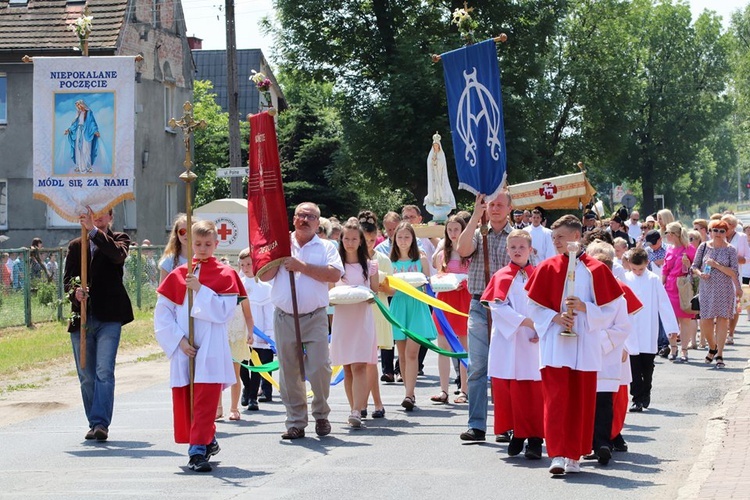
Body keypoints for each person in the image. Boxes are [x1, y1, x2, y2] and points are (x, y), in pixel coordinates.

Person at [524, 215, 623, 475]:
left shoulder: (596, 269)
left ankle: (575, 456)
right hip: (555, 344)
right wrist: (554, 317)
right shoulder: (547, 267)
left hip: (585, 344)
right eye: (553, 238)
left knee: (581, 400)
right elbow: (532, 305)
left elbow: (611, 309)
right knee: (556, 399)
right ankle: (557, 453)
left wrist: (585, 308)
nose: (555, 242)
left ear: (576, 237)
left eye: (560, 237)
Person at [155, 220, 246, 472]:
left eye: (208, 244)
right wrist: (178, 341)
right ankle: (207, 439)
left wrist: (200, 289)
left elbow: (224, 312)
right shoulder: (178, 274)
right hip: (185, 345)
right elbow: (162, 313)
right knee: (188, 397)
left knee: (206, 397)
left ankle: (197, 451)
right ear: (189, 244)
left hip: (211, 346)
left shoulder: (226, 274)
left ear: (217, 244)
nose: (203, 248)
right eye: (198, 244)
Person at [259, 202, 344, 440]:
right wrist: (272, 255)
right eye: (301, 216)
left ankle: (321, 413)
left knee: (319, 367)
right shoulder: (281, 244)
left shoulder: (326, 246)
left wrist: (301, 267)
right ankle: (295, 422)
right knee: (289, 371)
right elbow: (264, 275)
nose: (305, 220)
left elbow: (334, 274)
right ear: (293, 219)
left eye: (311, 216)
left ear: (318, 223)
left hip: (314, 315)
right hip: (285, 316)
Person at [63, 205, 134, 442]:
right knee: (86, 373)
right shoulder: (75, 245)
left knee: (104, 370)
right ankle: (93, 421)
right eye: (95, 212)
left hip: (110, 315)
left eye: (104, 212)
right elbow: (68, 281)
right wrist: (76, 293)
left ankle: (100, 423)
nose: (100, 216)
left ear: (111, 217)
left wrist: (93, 231)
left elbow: (116, 256)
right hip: (82, 316)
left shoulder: (120, 239)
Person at [482, 229, 544, 460]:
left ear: (530, 250)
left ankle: (535, 439)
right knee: (510, 390)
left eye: (522, 247)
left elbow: (548, 305)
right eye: (513, 247)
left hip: (532, 341)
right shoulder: (500, 276)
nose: (517, 251)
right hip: (509, 340)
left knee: (533, 391)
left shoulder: (539, 274)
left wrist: (541, 327)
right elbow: (496, 306)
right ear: (507, 250)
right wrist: (525, 322)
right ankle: (517, 433)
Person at [457, 192, 513, 442]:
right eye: (492, 204)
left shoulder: (517, 238)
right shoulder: (479, 233)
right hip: (479, 303)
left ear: (510, 208)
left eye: (501, 204)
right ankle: (477, 425)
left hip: (508, 308)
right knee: (477, 367)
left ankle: (505, 425)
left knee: (506, 368)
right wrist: (475, 216)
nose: (496, 208)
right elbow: (462, 249)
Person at [585, 241, 637, 466]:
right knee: (586, 402)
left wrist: (611, 343)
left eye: (606, 264)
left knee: (605, 400)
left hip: (609, 353)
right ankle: (589, 443)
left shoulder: (619, 292)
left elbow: (626, 324)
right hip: (584, 353)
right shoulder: (580, 288)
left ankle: (604, 442)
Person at [330, 221, 379, 427]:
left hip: (362, 319)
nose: (350, 242)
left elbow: (374, 292)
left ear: (360, 241)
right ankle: (353, 408)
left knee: (360, 365)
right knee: (348, 367)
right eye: (346, 238)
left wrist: (365, 295)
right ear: (341, 239)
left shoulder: (369, 266)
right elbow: (330, 293)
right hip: (343, 319)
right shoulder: (335, 268)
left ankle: (357, 410)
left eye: (354, 238)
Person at [623, 248, 679, 412]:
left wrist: (671, 328)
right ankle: (636, 398)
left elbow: (663, 303)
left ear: (647, 264)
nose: (638, 272)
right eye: (634, 269)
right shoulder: (625, 278)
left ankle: (646, 391)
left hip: (648, 327)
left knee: (647, 364)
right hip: (631, 327)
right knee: (633, 365)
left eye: (640, 269)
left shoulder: (653, 279)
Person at [389, 221, 436, 411]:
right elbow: (388, 290)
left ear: (413, 239)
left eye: (407, 237)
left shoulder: (421, 259)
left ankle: (410, 394)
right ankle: (407, 390)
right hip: (399, 306)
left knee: (412, 352)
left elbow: (428, 284)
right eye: (399, 237)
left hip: (416, 306)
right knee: (401, 353)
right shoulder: (390, 262)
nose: (403, 241)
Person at [430, 215, 470, 405]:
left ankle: (464, 389)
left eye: (457, 229)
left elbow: (474, 275)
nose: (453, 234)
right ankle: (443, 390)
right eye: (450, 230)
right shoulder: (442, 253)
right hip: (445, 300)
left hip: (463, 299)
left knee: (463, 346)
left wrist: (463, 282)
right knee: (443, 347)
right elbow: (438, 276)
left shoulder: (469, 250)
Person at [691, 220, 741, 369]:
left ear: (726, 233)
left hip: (725, 289)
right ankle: (712, 346)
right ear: (710, 231)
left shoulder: (730, 250)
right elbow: (694, 266)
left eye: (722, 231)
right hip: (706, 289)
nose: (718, 234)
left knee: (722, 320)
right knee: (705, 321)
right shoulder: (704, 246)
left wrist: (716, 266)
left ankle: (719, 353)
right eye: (715, 230)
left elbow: (734, 272)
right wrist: (700, 274)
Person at [360, 210, 391, 419]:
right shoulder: (353, 258)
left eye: (372, 240)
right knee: (360, 361)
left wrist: (378, 284)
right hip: (360, 310)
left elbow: (392, 289)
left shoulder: (383, 259)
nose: (369, 244)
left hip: (378, 310)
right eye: (365, 240)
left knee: (371, 360)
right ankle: (361, 402)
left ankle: (376, 403)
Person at [238, 248, 276, 411]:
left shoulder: (265, 287)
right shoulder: (238, 284)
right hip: (242, 332)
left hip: (259, 333)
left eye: (249, 264)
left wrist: (268, 334)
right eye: (243, 265)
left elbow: (268, 312)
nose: (246, 268)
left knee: (256, 365)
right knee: (243, 365)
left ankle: (253, 397)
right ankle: (246, 388)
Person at [219, 255, 255, 422]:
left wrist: (250, 332)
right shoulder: (215, 294)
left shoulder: (240, 294)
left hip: (236, 337)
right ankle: (218, 407)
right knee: (217, 375)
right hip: (219, 338)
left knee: (234, 375)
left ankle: (234, 408)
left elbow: (248, 315)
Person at [662, 222, 697, 361]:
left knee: (685, 320)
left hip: (683, 286)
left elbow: (696, 268)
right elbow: (665, 269)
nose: (665, 236)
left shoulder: (689, 249)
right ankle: (673, 348)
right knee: (671, 320)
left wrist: (689, 266)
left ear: (672, 234)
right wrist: (661, 285)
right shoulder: (669, 249)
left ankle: (684, 350)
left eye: (667, 233)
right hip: (670, 286)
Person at [721, 214, 749, 345]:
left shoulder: (741, 237)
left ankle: (730, 333)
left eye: (726, 227)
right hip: (719, 275)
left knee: (734, 304)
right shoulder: (718, 235)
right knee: (722, 304)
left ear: (733, 227)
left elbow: (746, 258)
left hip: (735, 275)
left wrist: (735, 258)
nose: (723, 229)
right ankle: (721, 331)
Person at [424, 132, 456, 214]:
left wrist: (436, 162)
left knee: (440, 188)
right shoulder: (431, 155)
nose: (435, 148)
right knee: (434, 189)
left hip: (440, 175)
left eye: (436, 146)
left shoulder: (441, 155)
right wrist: (433, 162)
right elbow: (429, 164)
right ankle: (434, 201)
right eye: (434, 146)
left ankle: (442, 200)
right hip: (434, 176)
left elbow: (442, 164)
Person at [64, 99, 100, 174]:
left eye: (79, 105)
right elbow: (75, 124)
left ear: (82, 104)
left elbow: (92, 122)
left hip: (86, 133)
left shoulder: (89, 113)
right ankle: (78, 166)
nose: (78, 107)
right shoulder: (78, 113)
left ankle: (88, 167)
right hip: (78, 133)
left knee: (86, 149)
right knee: (78, 149)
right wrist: (69, 130)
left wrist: (95, 130)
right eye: (77, 106)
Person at [159, 214, 190, 284]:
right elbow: (161, 291)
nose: (186, 234)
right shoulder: (169, 261)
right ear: (177, 234)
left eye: (190, 230)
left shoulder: (202, 259)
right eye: (182, 231)